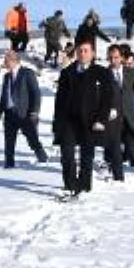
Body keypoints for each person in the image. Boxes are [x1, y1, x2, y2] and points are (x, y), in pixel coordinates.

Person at [53, 41, 116, 197]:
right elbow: (59, 100)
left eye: (86, 51)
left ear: (92, 54)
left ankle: (84, 186)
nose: (82, 53)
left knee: (87, 156)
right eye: (80, 50)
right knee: (66, 153)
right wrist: (57, 123)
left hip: (90, 121)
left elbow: (107, 98)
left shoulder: (101, 72)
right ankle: (70, 184)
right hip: (69, 120)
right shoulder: (67, 72)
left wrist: (101, 119)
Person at [0, 49, 48, 168]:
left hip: (25, 115)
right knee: (9, 142)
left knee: (33, 140)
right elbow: (4, 98)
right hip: (9, 115)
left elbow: (36, 94)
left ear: (13, 61)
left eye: (6, 61)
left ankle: (43, 159)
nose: (4, 63)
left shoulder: (27, 73)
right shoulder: (6, 77)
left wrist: (34, 112)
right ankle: (9, 164)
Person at [107, 43, 134, 176]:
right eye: (111, 58)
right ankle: (115, 168)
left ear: (121, 58)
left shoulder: (130, 72)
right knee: (113, 147)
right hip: (113, 119)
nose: (113, 61)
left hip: (130, 117)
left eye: (116, 57)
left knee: (131, 149)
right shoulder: (104, 74)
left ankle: (120, 160)